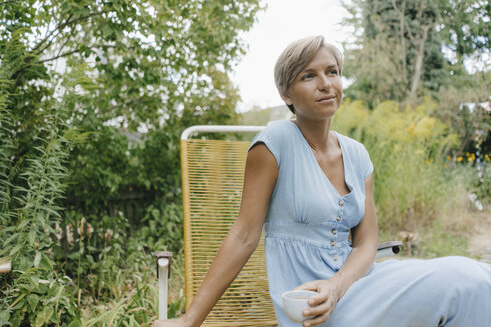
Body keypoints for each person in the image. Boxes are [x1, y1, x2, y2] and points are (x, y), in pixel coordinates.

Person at [152, 36, 491, 327]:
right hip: (311, 307)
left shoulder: (358, 155)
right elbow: (243, 235)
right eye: (308, 75)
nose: (326, 83)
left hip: (358, 284)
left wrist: (339, 285)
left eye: (332, 72)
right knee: (467, 279)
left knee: (478, 279)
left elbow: (366, 245)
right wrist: (189, 319)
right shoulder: (274, 142)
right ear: (286, 93)